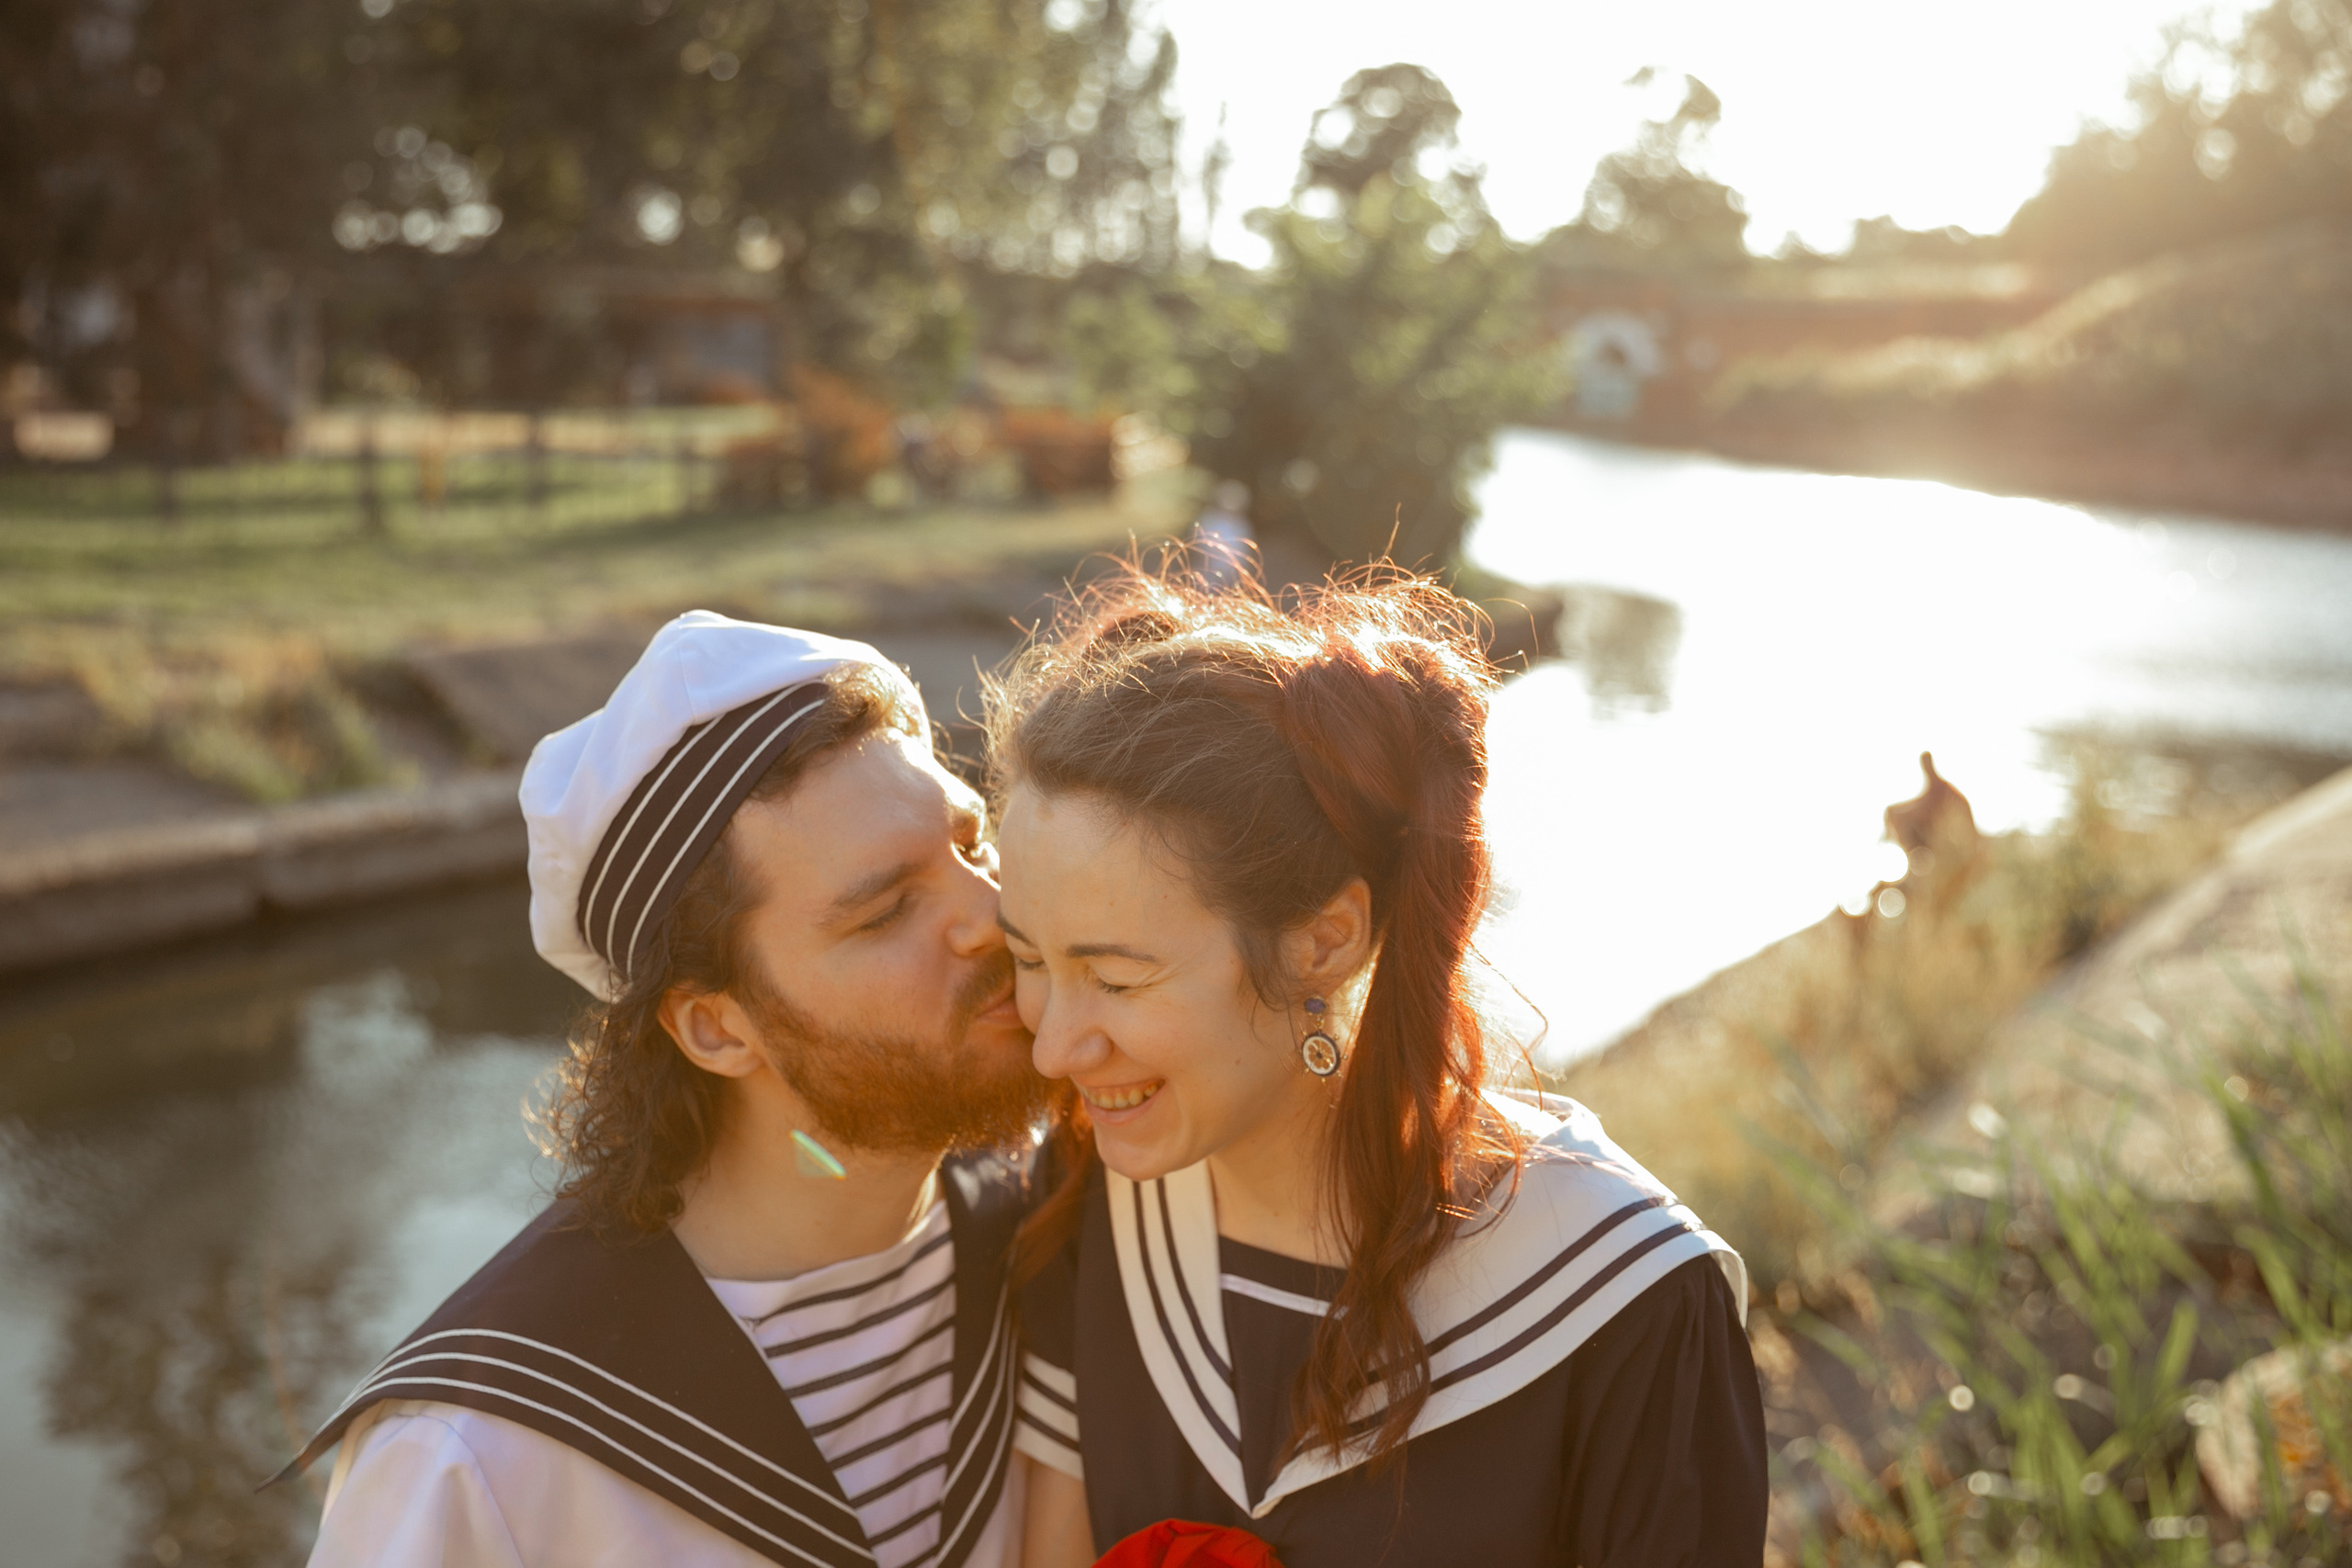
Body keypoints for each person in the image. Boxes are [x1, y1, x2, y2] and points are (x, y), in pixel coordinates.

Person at [988, 570, 1769, 1568]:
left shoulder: (1629, 1302)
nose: (1055, 1047)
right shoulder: (1088, 1201)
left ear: (1325, 941)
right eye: (1027, 961)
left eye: (1118, 980)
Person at [278, 611, 1048, 1568]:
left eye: (974, 846)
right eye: (887, 911)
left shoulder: (1062, 1230)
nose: (991, 915)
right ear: (717, 1027)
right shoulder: (473, 1462)